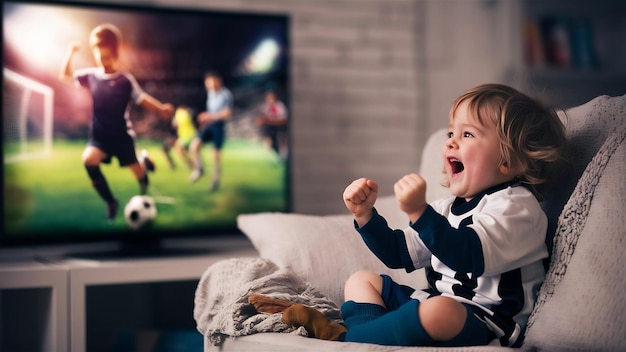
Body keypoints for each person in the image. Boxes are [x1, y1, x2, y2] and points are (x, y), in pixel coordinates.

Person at [250, 84, 569, 347]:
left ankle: (349, 339)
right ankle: (371, 339)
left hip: (488, 321)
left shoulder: (518, 207)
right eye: (450, 133)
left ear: (509, 162)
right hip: (437, 302)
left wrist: (419, 212)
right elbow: (399, 253)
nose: (452, 142)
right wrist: (366, 217)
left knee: (439, 310)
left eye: (468, 135)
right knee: (362, 281)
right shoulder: (446, 207)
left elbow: (469, 254)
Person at [59, 23, 174, 221]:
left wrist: (161, 109)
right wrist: (70, 52)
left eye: (106, 56)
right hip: (100, 138)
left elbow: (142, 98)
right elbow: (65, 76)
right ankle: (111, 201)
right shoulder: (92, 76)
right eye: (99, 56)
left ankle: (143, 169)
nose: (102, 61)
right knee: (88, 160)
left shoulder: (125, 80)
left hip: (122, 138)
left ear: (116, 54)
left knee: (140, 178)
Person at [188, 72, 233, 191]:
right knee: (194, 146)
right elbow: (210, 110)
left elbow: (227, 113)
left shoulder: (226, 94)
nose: (208, 84)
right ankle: (199, 170)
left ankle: (215, 179)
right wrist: (205, 120)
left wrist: (210, 116)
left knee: (216, 155)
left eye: (211, 81)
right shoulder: (210, 93)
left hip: (218, 126)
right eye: (207, 82)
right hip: (208, 125)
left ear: (218, 81)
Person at [256, 90, 288, 160]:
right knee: (269, 142)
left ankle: (282, 156)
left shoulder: (280, 106)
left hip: (280, 128)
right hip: (269, 129)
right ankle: (273, 156)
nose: (270, 100)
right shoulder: (264, 107)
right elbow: (260, 119)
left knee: (280, 143)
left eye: (271, 98)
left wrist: (270, 120)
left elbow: (283, 119)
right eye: (268, 98)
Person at [162, 105, 196, 170]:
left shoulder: (178, 114)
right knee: (180, 150)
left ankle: (192, 164)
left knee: (180, 150)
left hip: (186, 135)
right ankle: (191, 163)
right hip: (187, 135)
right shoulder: (183, 114)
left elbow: (175, 125)